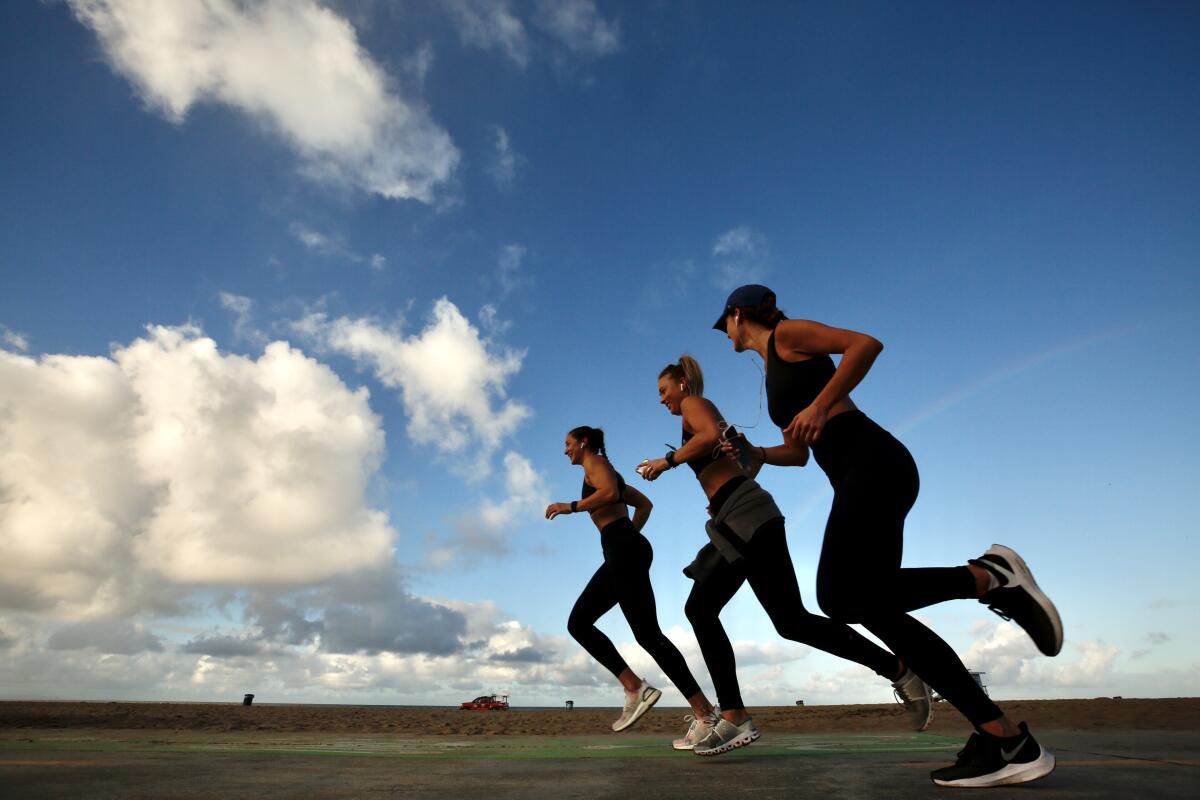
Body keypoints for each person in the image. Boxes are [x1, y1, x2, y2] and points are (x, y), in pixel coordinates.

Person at [711, 284, 1062, 787]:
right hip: (855, 472)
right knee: (874, 608)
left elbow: (865, 344)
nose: (724, 334)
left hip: (872, 463)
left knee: (838, 595)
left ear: (738, 315)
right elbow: (800, 452)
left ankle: (988, 577)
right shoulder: (773, 370)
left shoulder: (787, 335)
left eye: (724, 324)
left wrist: (820, 403)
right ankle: (1004, 738)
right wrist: (756, 453)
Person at [638, 357, 933, 757]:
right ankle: (899, 669)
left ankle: (734, 716)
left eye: (663, 391)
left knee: (702, 610)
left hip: (746, 517)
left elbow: (707, 435)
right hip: (743, 514)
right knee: (790, 621)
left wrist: (667, 461)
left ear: (683, 383)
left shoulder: (694, 404)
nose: (662, 401)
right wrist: (723, 490)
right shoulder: (696, 413)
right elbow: (744, 465)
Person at [546, 425, 718, 742]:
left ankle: (702, 712)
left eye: (568, 443)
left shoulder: (595, 464)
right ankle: (639, 688)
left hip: (623, 549)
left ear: (584, 443)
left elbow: (610, 494)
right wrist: (630, 539)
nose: (565, 450)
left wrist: (568, 507)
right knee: (583, 623)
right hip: (623, 549)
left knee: (642, 634)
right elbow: (645, 505)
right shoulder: (603, 471)